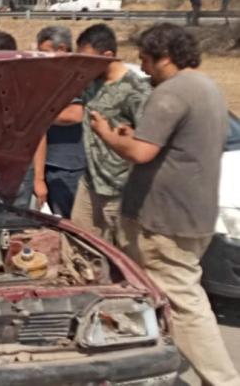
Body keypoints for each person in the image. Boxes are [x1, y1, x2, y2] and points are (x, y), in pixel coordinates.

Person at [90, 23, 240, 386]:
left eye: (146, 60)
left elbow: (141, 152)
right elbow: (169, 148)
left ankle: (222, 380)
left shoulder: (171, 92)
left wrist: (106, 134)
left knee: (186, 306)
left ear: (166, 57)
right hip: (194, 215)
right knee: (165, 298)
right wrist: (133, 137)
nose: (143, 68)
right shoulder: (208, 88)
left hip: (163, 221)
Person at [57, 24, 151, 246]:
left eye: (88, 59)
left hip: (119, 190)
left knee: (121, 254)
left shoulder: (136, 91)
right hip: (90, 184)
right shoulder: (91, 83)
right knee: (81, 246)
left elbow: (146, 144)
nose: (84, 65)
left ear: (108, 56)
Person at [31, 26, 85, 217]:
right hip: (47, 164)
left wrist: (36, 114)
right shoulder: (46, 77)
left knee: (68, 224)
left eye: (44, 52)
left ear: (61, 49)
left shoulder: (74, 78)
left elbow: (75, 114)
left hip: (67, 168)